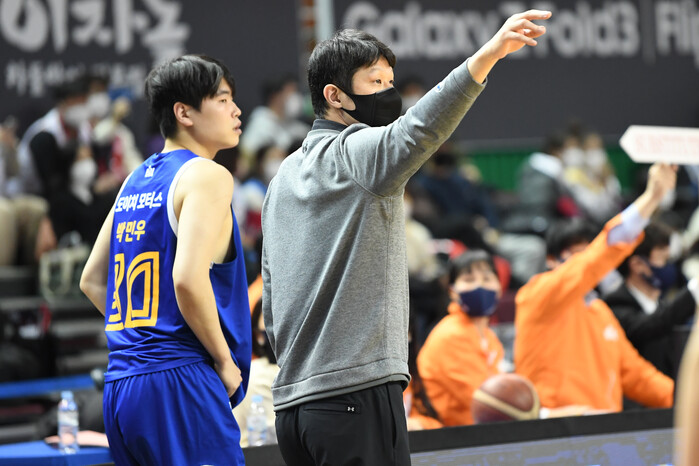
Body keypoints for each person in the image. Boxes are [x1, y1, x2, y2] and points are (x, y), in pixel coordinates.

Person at [261, 10, 552, 465]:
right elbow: (421, 128)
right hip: (354, 396)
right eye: (375, 82)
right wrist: (489, 55)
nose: (389, 93)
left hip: (294, 410)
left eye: (389, 81)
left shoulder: (283, 176)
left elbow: (272, 292)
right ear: (334, 96)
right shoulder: (357, 153)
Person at [80, 55, 251, 465]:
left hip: (122, 385)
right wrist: (223, 360)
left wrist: (145, 340)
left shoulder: (135, 179)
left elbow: (92, 280)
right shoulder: (208, 175)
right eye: (223, 99)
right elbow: (187, 279)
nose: (236, 110)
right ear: (184, 113)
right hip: (179, 380)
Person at [515, 163, 677, 413]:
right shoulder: (537, 296)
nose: (583, 262)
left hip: (605, 430)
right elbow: (595, 259)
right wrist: (651, 198)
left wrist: (687, 400)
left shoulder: (600, 312)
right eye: (574, 255)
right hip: (554, 430)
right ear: (551, 261)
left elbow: (637, 375)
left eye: (586, 253)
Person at [417, 250, 505, 426]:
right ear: (452, 291)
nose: (479, 286)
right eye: (469, 280)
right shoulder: (451, 334)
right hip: (452, 434)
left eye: (487, 278)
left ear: (500, 288)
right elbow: (484, 402)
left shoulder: (490, 337)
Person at [604, 222, 696, 379]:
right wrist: (695, 289)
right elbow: (653, 324)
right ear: (637, 265)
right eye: (663, 259)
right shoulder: (615, 306)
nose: (668, 267)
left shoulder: (662, 305)